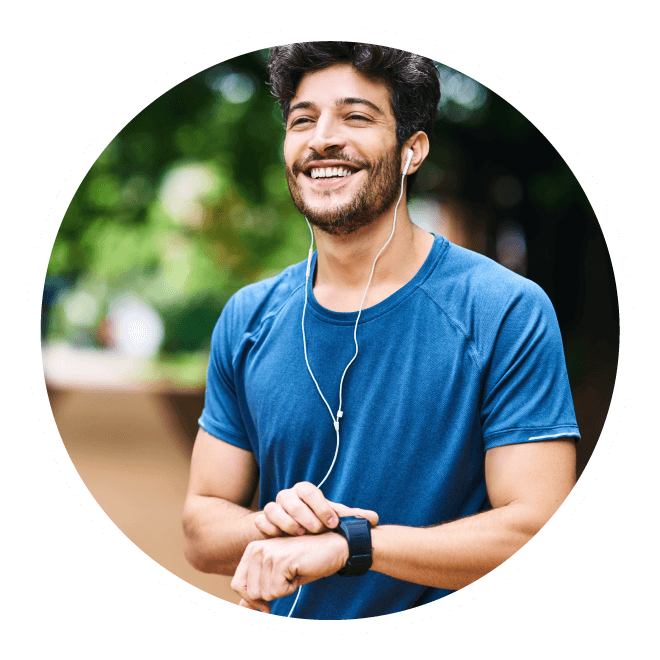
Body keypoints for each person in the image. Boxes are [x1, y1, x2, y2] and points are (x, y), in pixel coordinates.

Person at [182, 42, 580, 620]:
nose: (322, 139)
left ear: (412, 150)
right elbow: (201, 527)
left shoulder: (504, 311)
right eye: (302, 120)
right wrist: (271, 525)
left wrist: (350, 546)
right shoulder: (248, 318)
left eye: (356, 116)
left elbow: (535, 529)